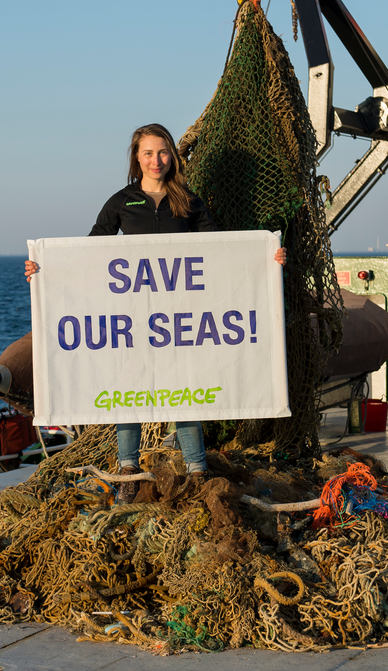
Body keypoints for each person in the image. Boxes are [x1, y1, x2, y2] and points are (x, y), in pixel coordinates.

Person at [26, 123, 285, 502]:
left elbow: (221, 250)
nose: (156, 160)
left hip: (180, 317)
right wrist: (46, 270)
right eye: (148, 153)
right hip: (133, 319)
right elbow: (90, 252)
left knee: (185, 391)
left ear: (172, 156)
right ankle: (128, 471)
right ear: (136, 158)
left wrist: (266, 258)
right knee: (128, 391)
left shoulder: (188, 201)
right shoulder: (121, 201)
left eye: (162, 152)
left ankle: (198, 471)